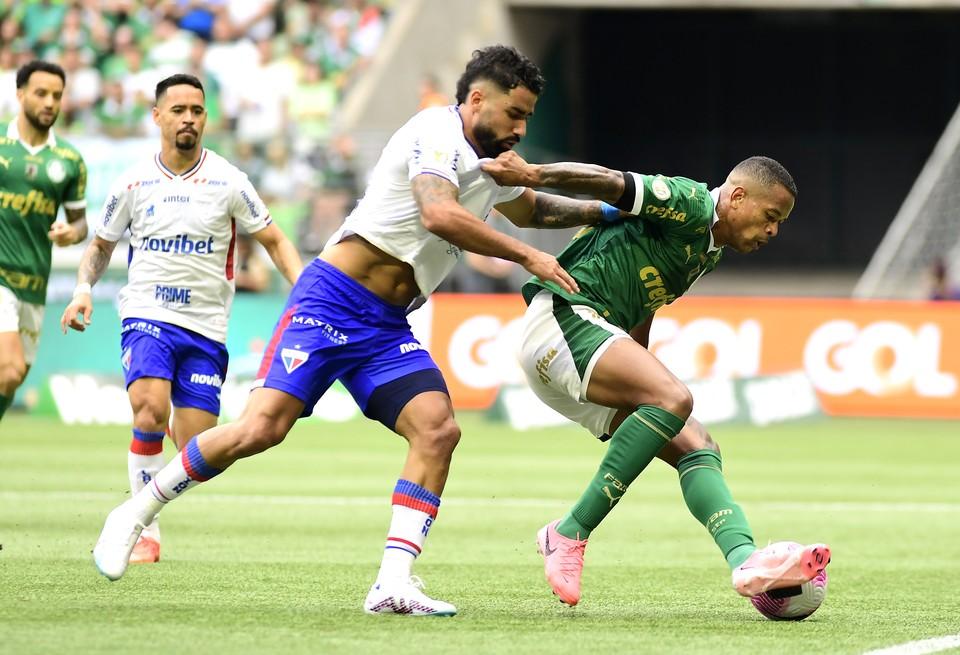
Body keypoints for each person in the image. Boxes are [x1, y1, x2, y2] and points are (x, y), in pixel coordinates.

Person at [89, 45, 609, 616]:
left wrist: (611, 211)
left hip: (385, 324)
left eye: (530, 116)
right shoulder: (435, 129)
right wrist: (526, 258)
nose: (522, 127)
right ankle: (134, 514)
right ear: (477, 100)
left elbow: (533, 209)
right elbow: (438, 212)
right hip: (333, 299)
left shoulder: (494, 160)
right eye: (515, 113)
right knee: (262, 428)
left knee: (437, 429)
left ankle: (391, 583)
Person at [481, 151, 831, 607]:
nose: (773, 231)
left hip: (584, 342)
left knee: (698, 445)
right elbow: (609, 181)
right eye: (770, 216)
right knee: (673, 398)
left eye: (780, 222)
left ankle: (747, 561)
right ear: (738, 196)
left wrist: (640, 384)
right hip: (563, 317)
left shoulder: (709, 251)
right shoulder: (690, 203)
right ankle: (568, 532)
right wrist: (533, 175)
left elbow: (644, 305)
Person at [61, 74, 302, 565]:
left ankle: (145, 501)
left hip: (207, 326)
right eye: (178, 110)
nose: (188, 118)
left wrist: (308, 294)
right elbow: (101, 245)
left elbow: (275, 239)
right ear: (157, 116)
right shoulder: (132, 181)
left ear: (205, 117)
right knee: (148, 408)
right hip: (148, 312)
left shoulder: (230, 180)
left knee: (199, 449)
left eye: (196, 109)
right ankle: (141, 527)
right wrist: (83, 289)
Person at [0, 60, 88, 424]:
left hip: (34, 286)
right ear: (20, 95)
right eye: (41, 93)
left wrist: (72, 233)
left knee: (13, 378)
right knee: (8, 367)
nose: (50, 102)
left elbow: (80, 223)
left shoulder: (69, 161)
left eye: (57, 95)